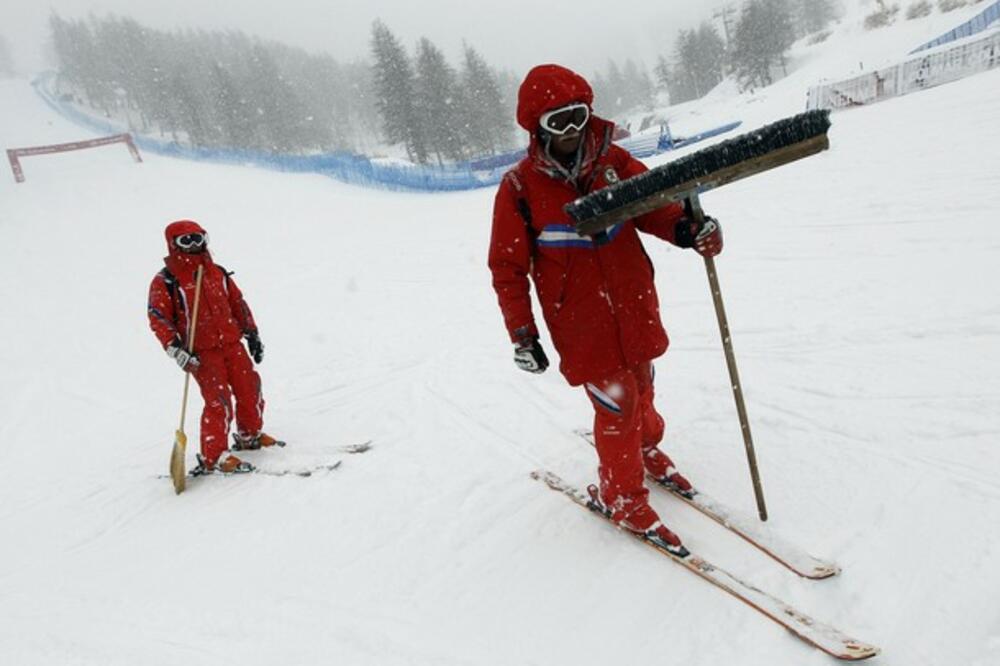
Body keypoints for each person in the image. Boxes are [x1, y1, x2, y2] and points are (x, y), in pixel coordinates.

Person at [488, 64, 723, 548]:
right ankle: (623, 496)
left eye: (578, 117)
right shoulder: (520, 188)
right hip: (580, 320)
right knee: (617, 403)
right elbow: (507, 267)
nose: (573, 132)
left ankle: (645, 448)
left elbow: (657, 207)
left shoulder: (613, 163)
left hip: (634, 302)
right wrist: (522, 334)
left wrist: (688, 229)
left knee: (642, 384)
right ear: (538, 127)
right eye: (559, 122)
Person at [147, 219, 283, 474]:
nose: (195, 245)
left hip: (231, 343)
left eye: (199, 238)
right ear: (173, 245)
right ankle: (215, 455)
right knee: (218, 401)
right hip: (202, 352)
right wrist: (176, 347)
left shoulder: (216, 272)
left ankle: (249, 435)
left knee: (249, 388)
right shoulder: (166, 281)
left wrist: (251, 333)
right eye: (186, 240)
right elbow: (158, 318)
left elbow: (237, 303)